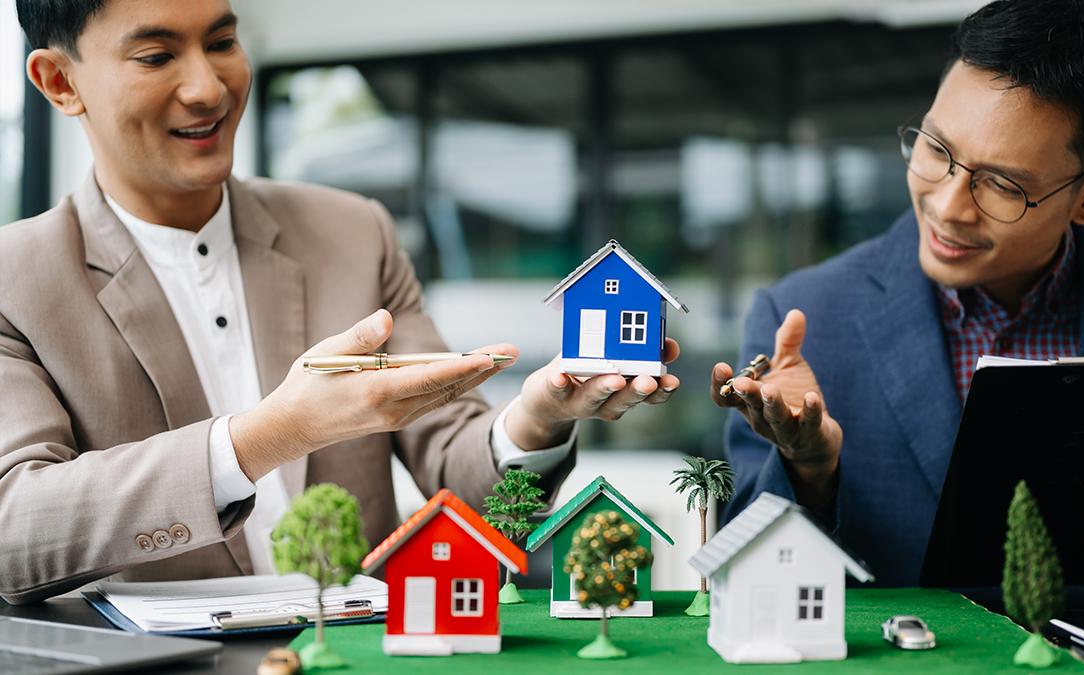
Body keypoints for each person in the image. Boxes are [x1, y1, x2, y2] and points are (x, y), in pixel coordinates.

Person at [0, 0, 679, 605]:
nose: (208, 88)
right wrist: (269, 434)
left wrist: (536, 418)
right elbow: (14, 529)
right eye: (156, 56)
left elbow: (474, 493)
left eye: (223, 42)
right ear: (60, 83)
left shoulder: (355, 232)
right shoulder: (15, 279)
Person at [713, 0, 1084, 588]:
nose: (946, 207)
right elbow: (744, 581)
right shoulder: (802, 318)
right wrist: (809, 465)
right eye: (936, 150)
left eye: (1002, 184)